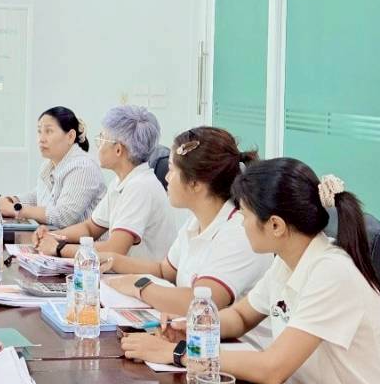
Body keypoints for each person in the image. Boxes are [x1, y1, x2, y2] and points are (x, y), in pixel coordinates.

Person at [121, 158, 380, 384]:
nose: (241, 223)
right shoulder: (287, 261)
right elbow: (241, 316)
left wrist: (181, 354)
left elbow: (272, 369)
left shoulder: (331, 272)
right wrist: (195, 327)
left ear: (275, 225)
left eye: (245, 215)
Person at [98, 126, 269, 316]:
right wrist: (112, 260)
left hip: (224, 334)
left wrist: (139, 286)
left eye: (172, 170)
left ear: (195, 183)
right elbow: (164, 271)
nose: (166, 177)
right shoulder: (196, 222)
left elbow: (198, 302)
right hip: (193, 328)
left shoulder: (238, 234)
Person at [33, 106, 178, 261]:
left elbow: (115, 249)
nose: (98, 145)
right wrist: (52, 236)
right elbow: (90, 228)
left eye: (102, 138)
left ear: (118, 150)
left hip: (141, 274)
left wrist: (59, 248)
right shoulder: (121, 182)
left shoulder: (140, 187)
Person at [0, 106, 105, 228]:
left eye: (49, 131)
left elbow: (64, 216)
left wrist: (14, 209)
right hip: (56, 239)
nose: (41, 139)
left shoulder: (83, 167)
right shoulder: (49, 164)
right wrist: (2, 202)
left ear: (70, 136)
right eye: (39, 131)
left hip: (84, 244)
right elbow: (37, 196)